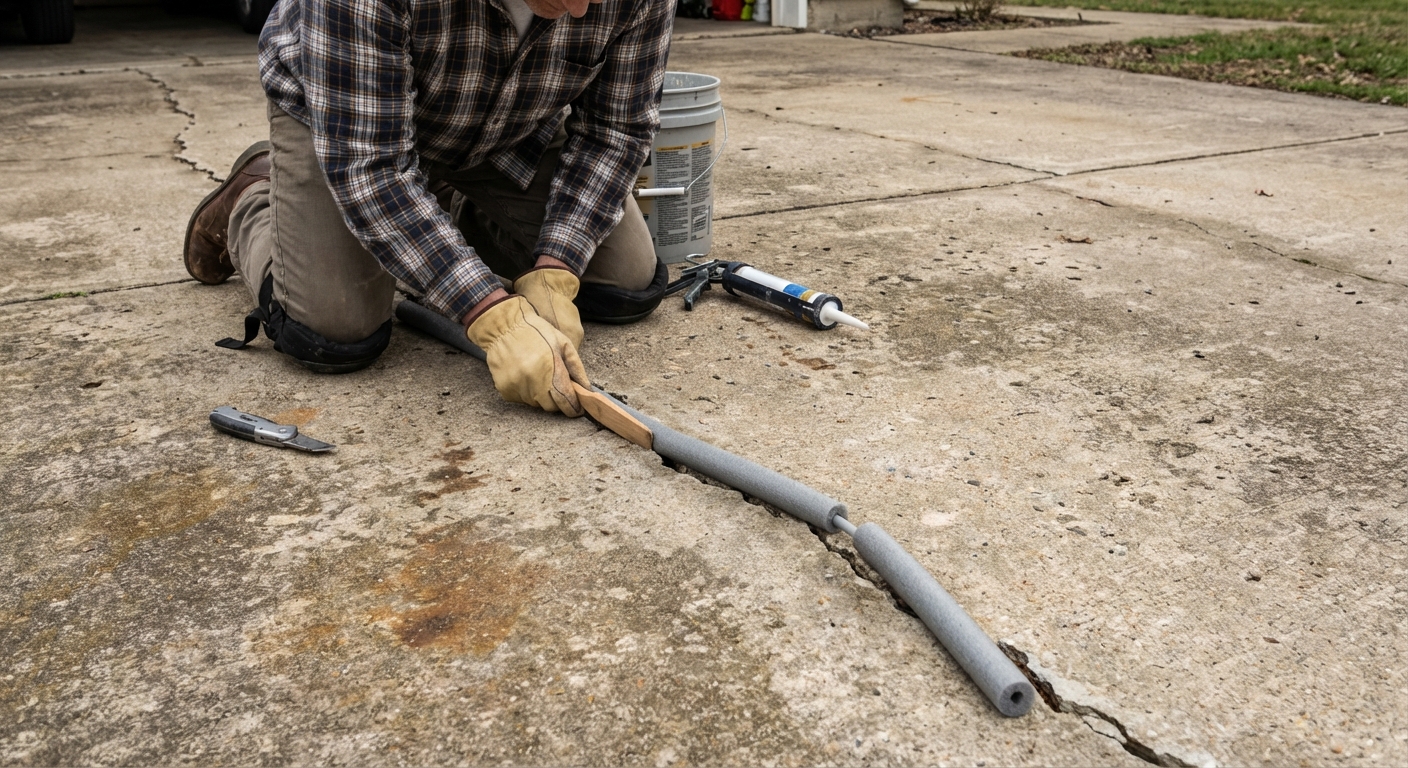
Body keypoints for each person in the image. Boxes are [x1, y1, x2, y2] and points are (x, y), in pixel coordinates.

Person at [182, 0, 675, 417]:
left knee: (623, 280)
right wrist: (490, 313)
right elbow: (370, 167)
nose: (583, 9)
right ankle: (254, 201)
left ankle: (434, 214)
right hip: (348, 127)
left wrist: (557, 268)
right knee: (335, 330)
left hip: (507, 127)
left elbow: (617, 131)